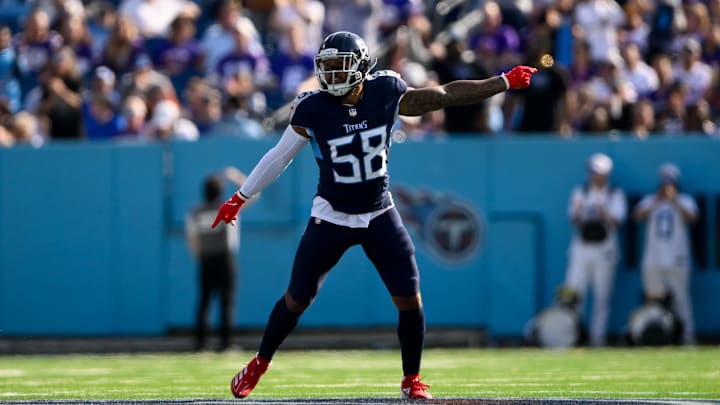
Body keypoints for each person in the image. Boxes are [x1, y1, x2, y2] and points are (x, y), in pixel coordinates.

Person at [211, 31, 537, 399]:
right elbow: (279, 156)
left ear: (362, 67)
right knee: (297, 298)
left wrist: (502, 82)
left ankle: (411, 379)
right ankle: (260, 362)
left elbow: (443, 95)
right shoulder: (312, 108)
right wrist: (240, 197)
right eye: (327, 67)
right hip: (331, 214)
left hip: (378, 212)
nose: (332, 75)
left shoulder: (386, 92)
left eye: (340, 66)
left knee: (409, 298)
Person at [185, 167, 255, 352]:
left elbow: (192, 238)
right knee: (226, 301)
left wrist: (198, 256)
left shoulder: (195, 212)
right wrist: (236, 177)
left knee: (204, 301)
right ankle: (226, 343)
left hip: (206, 259)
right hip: (225, 258)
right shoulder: (227, 206)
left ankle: (201, 344)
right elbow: (254, 195)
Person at [563, 153, 627, 347]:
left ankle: (597, 337)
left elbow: (617, 222)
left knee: (602, 297)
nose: (593, 176)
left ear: (605, 174)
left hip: (605, 251)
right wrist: (580, 212)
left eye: (597, 172)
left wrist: (603, 211)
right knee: (574, 294)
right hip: (582, 249)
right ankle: (573, 335)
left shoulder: (615, 193)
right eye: (591, 172)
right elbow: (573, 219)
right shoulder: (580, 192)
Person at [632, 163, 698, 345]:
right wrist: (657, 201)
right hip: (654, 258)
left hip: (677, 257)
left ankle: (688, 337)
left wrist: (674, 200)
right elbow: (637, 216)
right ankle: (654, 337)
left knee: (681, 299)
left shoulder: (685, 200)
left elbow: (692, 218)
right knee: (652, 300)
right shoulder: (651, 200)